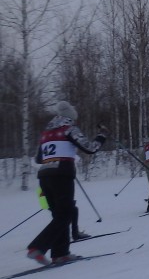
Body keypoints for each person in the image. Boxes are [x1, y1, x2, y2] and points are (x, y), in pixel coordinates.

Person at [27, 102, 107, 265]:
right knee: (66, 214)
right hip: (62, 174)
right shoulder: (69, 129)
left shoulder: (46, 133)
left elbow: (39, 158)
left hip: (44, 175)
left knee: (60, 215)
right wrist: (102, 135)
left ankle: (60, 254)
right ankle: (37, 247)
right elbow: (90, 148)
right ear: (70, 115)